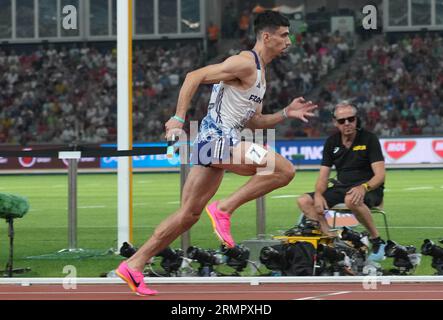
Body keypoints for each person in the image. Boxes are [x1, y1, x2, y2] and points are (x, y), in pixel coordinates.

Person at [116, 11, 317, 296]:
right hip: (215, 139)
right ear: (267, 36)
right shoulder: (245, 62)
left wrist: (286, 113)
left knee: (188, 214)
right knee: (283, 170)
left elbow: (254, 121)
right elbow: (194, 76)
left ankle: (134, 265)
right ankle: (224, 208)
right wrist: (177, 118)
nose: (289, 41)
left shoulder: (261, 75)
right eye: (284, 35)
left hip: (220, 141)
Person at [296, 101, 386, 261]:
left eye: (351, 119)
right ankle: (332, 241)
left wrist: (364, 187)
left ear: (356, 120)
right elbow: (323, 176)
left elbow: (380, 175)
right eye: (342, 121)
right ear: (335, 123)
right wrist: (318, 194)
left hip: (369, 189)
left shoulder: (369, 139)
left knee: (351, 198)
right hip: (341, 188)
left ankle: (376, 239)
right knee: (304, 200)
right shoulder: (332, 142)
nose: (347, 124)